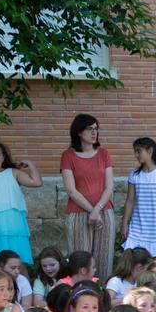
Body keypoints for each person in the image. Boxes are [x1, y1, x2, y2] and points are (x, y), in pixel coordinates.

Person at [60, 114, 115, 275]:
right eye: (89, 129)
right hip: (78, 213)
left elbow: (109, 186)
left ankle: (103, 295)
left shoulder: (103, 154)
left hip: (104, 212)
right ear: (78, 132)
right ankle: (81, 293)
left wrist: (96, 211)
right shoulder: (68, 156)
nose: (94, 132)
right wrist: (92, 211)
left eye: (96, 129)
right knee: (80, 260)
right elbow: (71, 190)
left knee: (104, 258)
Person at [120, 136, 156, 258]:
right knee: (136, 261)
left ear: (150, 151)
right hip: (138, 226)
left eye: (139, 151)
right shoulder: (134, 176)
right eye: (135, 152)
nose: (136, 155)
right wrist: (124, 223)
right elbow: (130, 201)